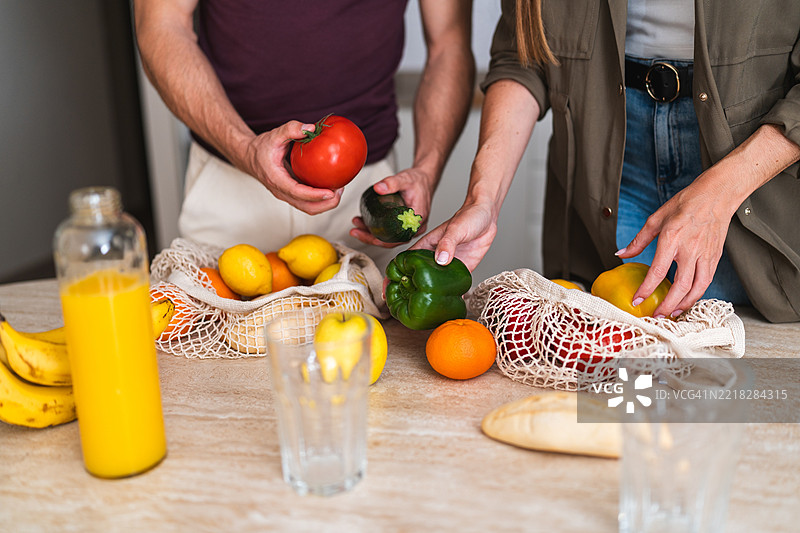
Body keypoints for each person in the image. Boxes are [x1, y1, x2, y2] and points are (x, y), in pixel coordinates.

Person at [416, 0, 800, 323]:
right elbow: (524, 58)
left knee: (739, 395)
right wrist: (484, 198)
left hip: (756, 173)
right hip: (601, 163)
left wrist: (720, 192)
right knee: (608, 394)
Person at [133, 0, 475, 270]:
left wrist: (426, 172)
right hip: (229, 183)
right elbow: (161, 24)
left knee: (367, 352)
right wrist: (243, 147)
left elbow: (450, 43)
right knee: (210, 344)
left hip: (365, 194)